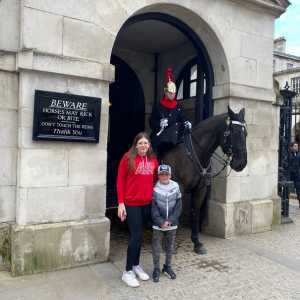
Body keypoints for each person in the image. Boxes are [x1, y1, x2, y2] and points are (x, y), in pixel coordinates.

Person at [117, 132, 158, 288]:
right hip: (131, 203)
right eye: (140, 143)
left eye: (146, 143)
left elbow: (155, 180)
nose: (143, 146)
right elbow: (120, 180)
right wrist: (121, 203)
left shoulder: (153, 160)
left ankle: (135, 265)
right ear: (136, 144)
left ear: (149, 145)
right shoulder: (128, 158)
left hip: (146, 203)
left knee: (140, 237)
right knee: (136, 236)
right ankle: (127, 272)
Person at [149, 68, 192, 158]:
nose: (172, 95)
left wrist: (187, 122)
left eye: (173, 93)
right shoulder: (158, 106)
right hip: (162, 138)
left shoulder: (178, 106)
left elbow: (184, 117)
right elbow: (152, 122)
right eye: (170, 93)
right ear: (165, 92)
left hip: (176, 138)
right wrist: (160, 123)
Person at [151, 164, 182, 283]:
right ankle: (156, 268)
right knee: (156, 247)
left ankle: (167, 267)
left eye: (166, 174)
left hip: (172, 224)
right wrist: (160, 222)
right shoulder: (154, 188)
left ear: (170, 174)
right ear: (158, 175)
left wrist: (171, 220)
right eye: (162, 174)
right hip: (158, 225)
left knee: (170, 247)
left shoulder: (176, 186)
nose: (164, 176)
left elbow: (179, 206)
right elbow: (153, 208)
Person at [289, 141, 300, 207]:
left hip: (297, 176)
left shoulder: (299, 154)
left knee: (299, 189)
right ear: (291, 147)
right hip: (289, 175)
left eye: (297, 146)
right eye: (295, 146)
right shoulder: (288, 154)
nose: (297, 147)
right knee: (287, 190)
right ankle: (284, 206)